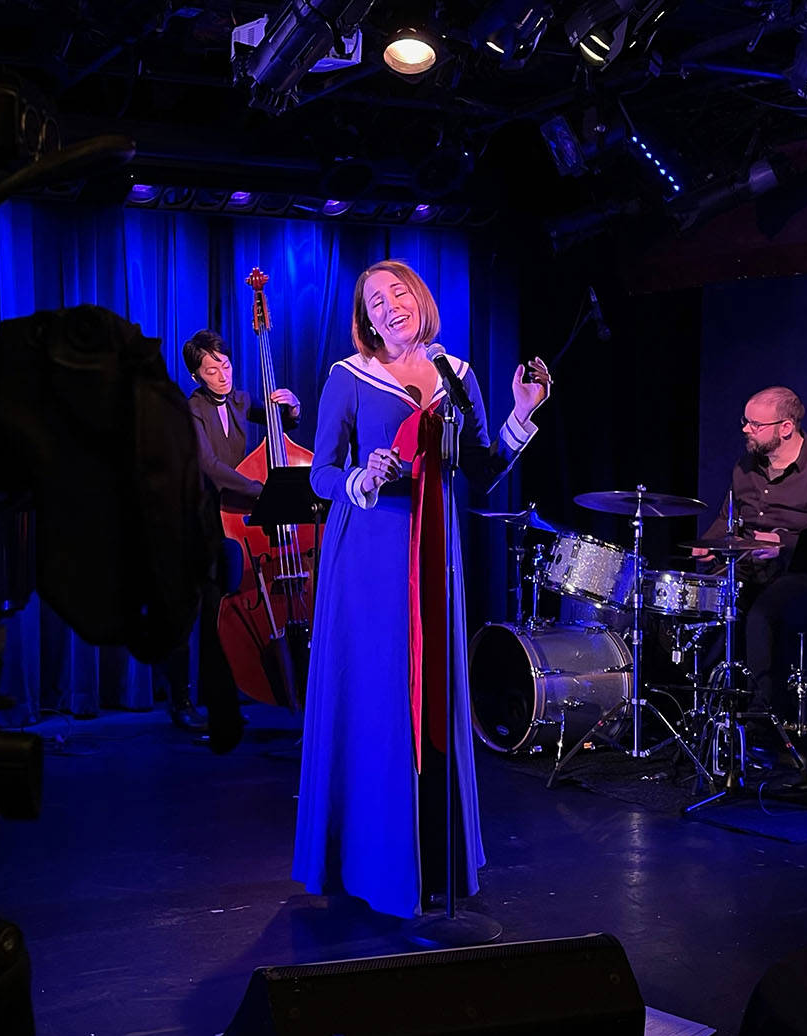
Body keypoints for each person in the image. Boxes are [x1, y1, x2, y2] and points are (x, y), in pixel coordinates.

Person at [293, 261, 550, 919]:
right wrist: (361, 476)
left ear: (419, 299)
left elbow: (485, 471)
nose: (388, 307)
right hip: (371, 556)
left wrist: (522, 414)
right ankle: (371, 862)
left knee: (432, 698)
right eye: (374, 301)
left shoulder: (455, 377)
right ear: (365, 318)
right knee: (381, 701)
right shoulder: (346, 378)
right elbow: (319, 473)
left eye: (397, 292)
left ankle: (434, 862)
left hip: (437, 554)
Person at [160, 330, 301, 737]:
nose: (222, 374)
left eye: (224, 364)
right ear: (195, 376)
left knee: (227, 608)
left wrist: (291, 407)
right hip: (197, 519)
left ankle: (223, 695)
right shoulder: (190, 409)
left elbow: (278, 421)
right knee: (195, 611)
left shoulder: (240, 399)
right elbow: (208, 466)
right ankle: (181, 701)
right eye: (211, 369)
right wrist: (263, 488)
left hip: (234, 522)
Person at [692, 386, 807, 719]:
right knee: (697, 598)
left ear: (786, 428)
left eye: (756, 424)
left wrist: (782, 544)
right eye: (745, 421)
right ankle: (707, 710)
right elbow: (728, 517)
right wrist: (709, 545)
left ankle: (763, 717)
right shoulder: (745, 467)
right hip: (756, 569)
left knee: (763, 612)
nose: (745, 429)